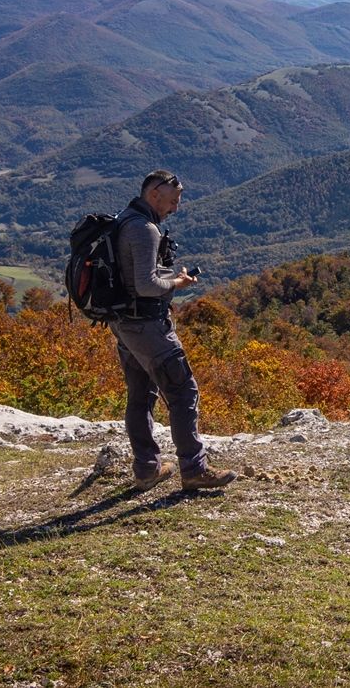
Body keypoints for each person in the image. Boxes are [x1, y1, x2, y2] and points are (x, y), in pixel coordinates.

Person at [111, 169, 236, 493]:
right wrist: (178, 283)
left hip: (124, 324)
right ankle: (194, 470)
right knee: (183, 392)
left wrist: (166, 275)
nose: (176, 208)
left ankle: (147, 470)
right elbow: (145, 284)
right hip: (148, 326)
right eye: (173, 200)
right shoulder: (145, 229)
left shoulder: (124, 218)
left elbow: (136, 274)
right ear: (154, 194)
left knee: (140, 395)